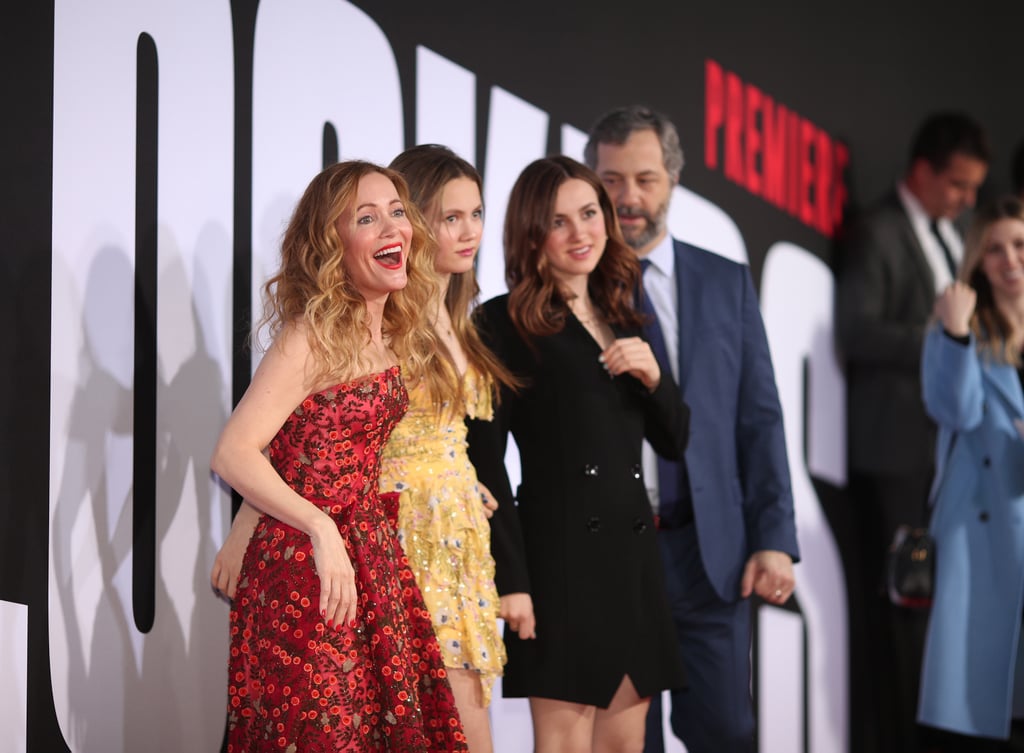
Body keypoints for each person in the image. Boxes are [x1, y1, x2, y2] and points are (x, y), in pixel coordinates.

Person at [209, 160, 467, 752]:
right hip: (306, 566)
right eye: (366, 219)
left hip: (370, 559)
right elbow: (234, 450)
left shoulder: (391, 331)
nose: (391, 230)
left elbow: (294, 442)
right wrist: (320, 527)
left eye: (397, 213)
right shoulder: (310, 335)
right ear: (333, 244)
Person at [583, 104, 799, 753]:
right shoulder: (571, 289)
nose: (628, 197)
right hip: (614, 556)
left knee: (727, 732)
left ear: (673, 180)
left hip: (713, 554)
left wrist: (774, 537)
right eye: (612, 180)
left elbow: (759, 418)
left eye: (645, 178)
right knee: (627, 742)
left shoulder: (724, 281)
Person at [466, 155, 690, 753]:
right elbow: (484, 463)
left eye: (589, 213)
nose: (580, 232)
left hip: (633, 561)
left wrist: (655, 379)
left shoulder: (623, 315)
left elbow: (675, 441)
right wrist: (511, 581)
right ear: (532, 234)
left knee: (626, 743)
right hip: (559, 564)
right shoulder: (502, 323)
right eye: (559, 221)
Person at [835, 111, 990, 753]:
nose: (967, 200)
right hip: (897, 457)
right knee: (906, 614)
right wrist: (946, 340)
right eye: (957, 185)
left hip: (949, 459)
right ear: (923, 171)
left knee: (949, 617)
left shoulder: (957, 238)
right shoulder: (878, 231)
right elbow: (858, 331)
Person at [379, 144, 517, 753]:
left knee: (468, 721)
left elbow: (451, 432)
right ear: (411, 220)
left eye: (477, 214)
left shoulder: (459, 316)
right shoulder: (381, 317)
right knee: (425, 723)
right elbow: (324, 432)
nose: (470, 232)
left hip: (459, 534)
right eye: (450, 216)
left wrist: (461, 474)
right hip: (403, 533)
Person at [919, 195, 1024, 752]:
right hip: (983, 532)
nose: (1010, 260)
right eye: (996, 249)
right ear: (978, 261)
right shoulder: (959, 330)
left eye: (1020, 245)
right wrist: (957, 333)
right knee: (984, 708)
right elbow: (954, 411)